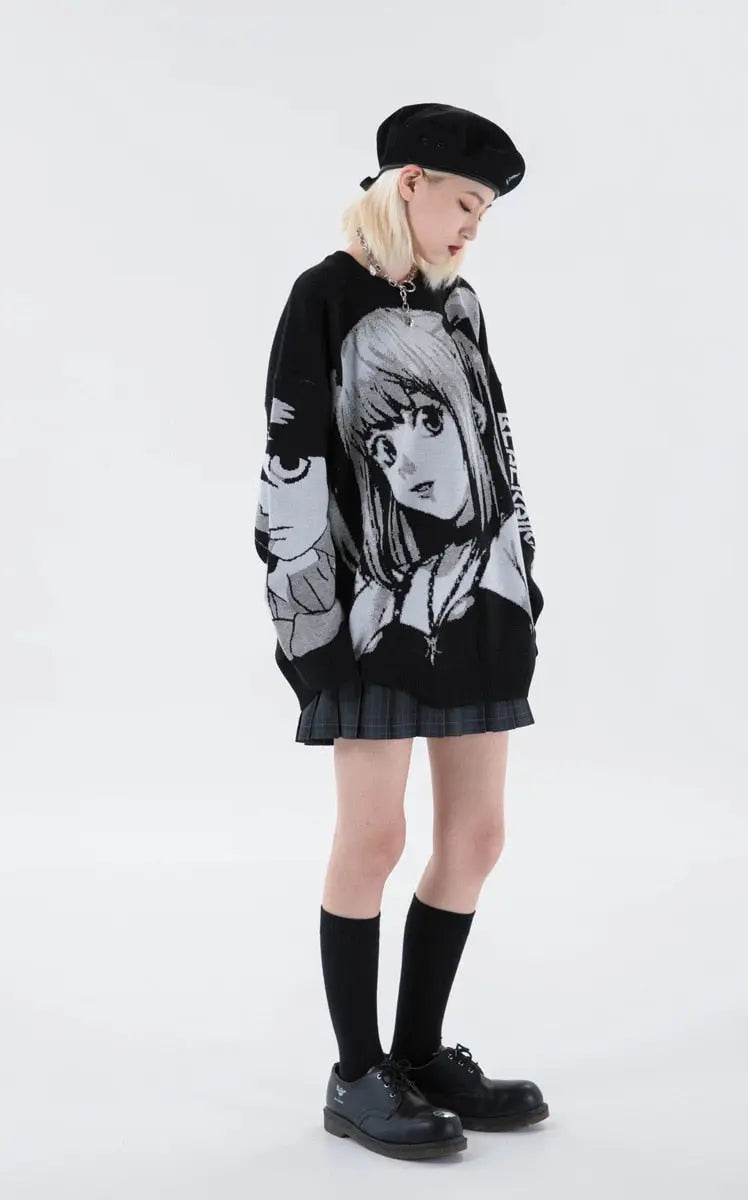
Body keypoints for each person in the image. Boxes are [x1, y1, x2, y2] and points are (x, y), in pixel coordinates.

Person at [253, 103, 548, 1161]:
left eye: (485, 213)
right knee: (374, 839)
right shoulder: (324, 296)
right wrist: (307, 626)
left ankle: (418, 1057)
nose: (472, 226)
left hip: (477, 606)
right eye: (464, 203)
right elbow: (290, 468)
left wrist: (523, 581)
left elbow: (496, 449)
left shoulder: (459, 305)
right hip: (363, 613)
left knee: (477, 837)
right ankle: (355, 1075)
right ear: (409, 183)